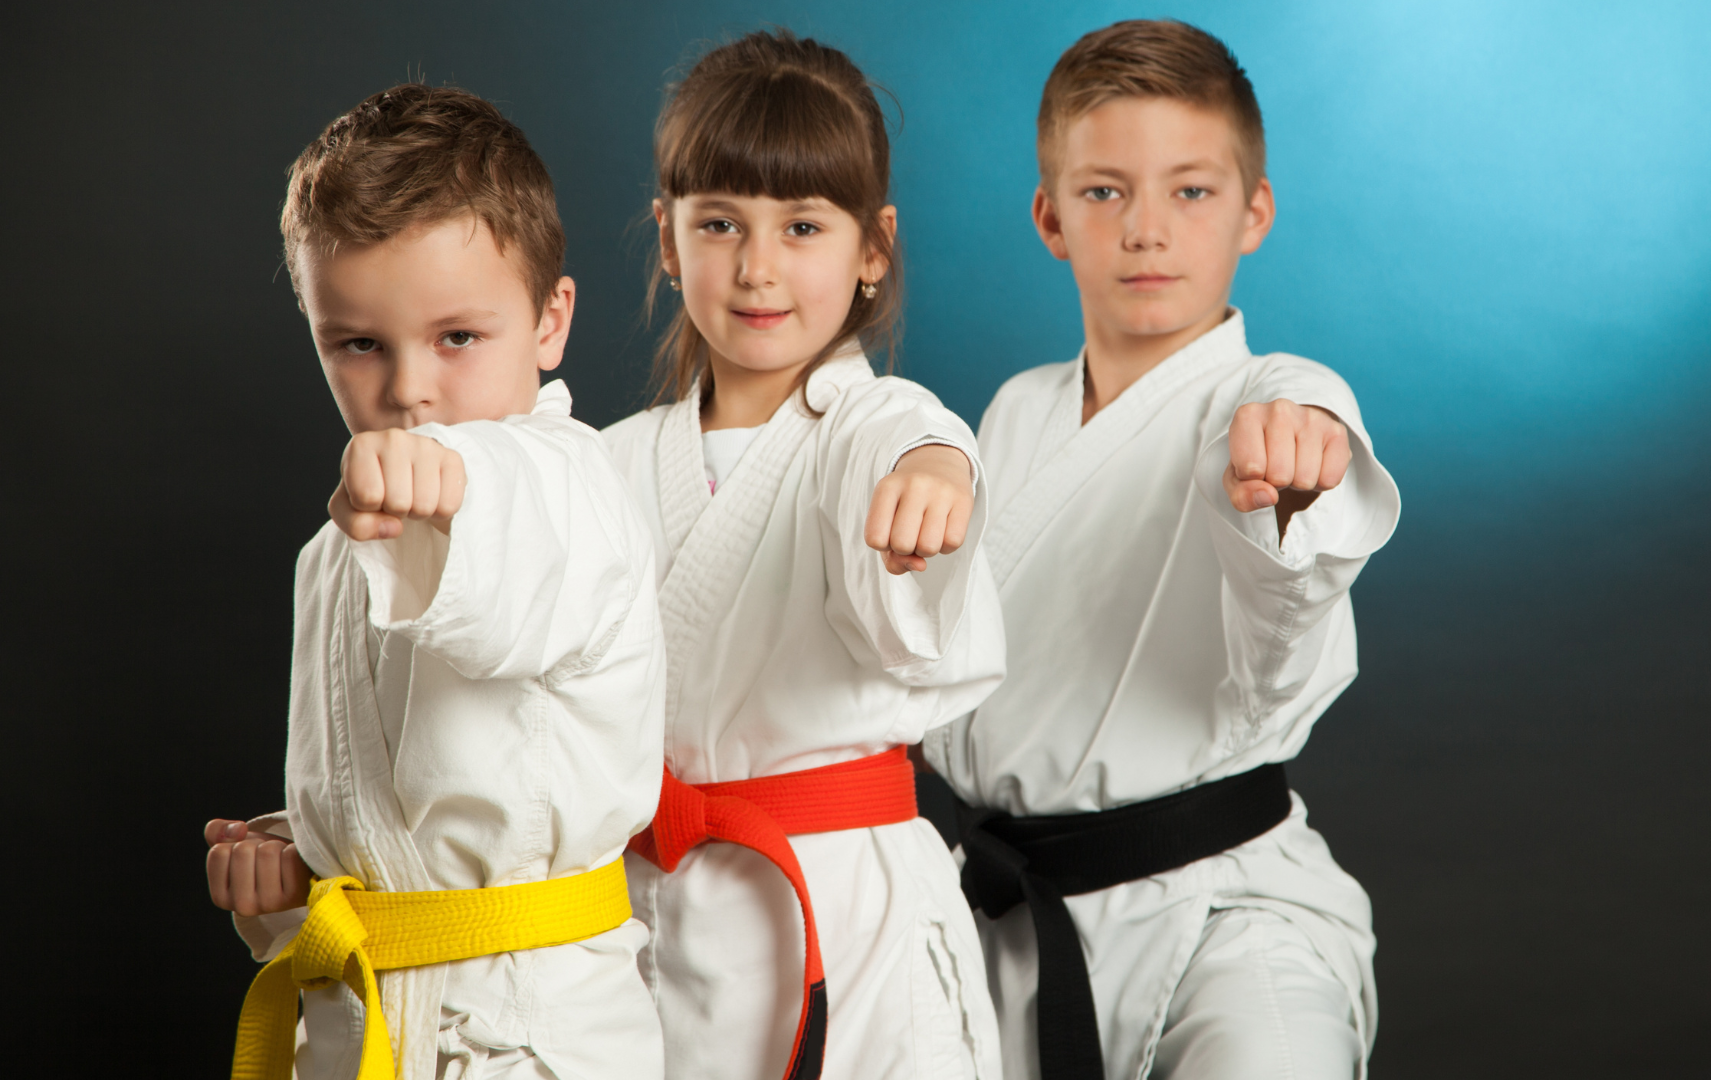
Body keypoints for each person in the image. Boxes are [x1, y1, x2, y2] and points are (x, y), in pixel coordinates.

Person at [920, 20, 1402, 1080]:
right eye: (1104, 192)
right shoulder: (1011, 413)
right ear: (1051, 217)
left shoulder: (1271, 397)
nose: (1147, 230)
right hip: (1007, 925)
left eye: (1191, 191)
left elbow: (1291, 575)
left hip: (1224, 921)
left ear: (1254, 213)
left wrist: (1293, 479)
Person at [201, 84, 668, 1080]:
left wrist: (456, 485)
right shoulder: (333, 552)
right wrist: (294, 863)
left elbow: (506, 559)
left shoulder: (566, 487)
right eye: (359, 343)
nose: (409, 388)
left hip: (524, 1038)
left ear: (551, 324)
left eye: (458, 338)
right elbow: (401, 815)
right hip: (362, 1023)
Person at [599, 30, 1006, 1080]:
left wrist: (933, 473)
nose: (758, 266)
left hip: (846, 915)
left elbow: (906, 434)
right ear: (666, 236)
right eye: (720, 222)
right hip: (650, 911)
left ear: (874, 247)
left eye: (803, 225)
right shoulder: (605, 464)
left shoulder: (866, 431)